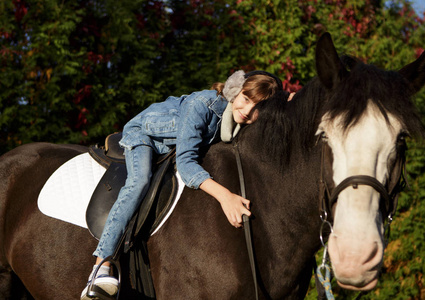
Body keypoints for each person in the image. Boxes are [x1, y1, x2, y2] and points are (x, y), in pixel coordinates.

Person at [81, 70, 282, 300]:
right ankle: (100, 268)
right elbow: (187, 164)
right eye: (246, 100)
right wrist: (225, 196)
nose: (247, 111)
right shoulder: (202, 105)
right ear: (235, 91)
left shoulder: (237, 120)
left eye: (257, 108)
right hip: (145, 136)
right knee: (139, 181)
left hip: (171, 145)